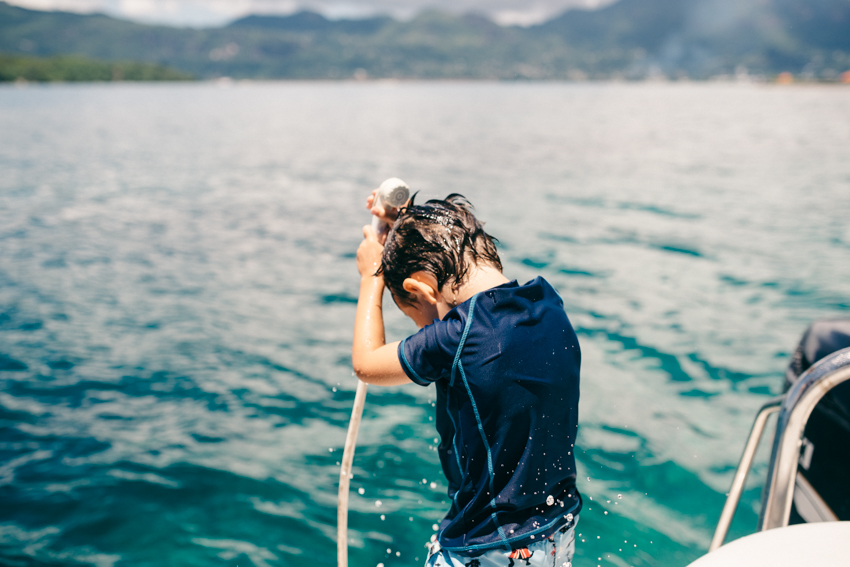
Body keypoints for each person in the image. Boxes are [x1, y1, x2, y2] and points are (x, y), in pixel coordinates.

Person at [352, 192, 582, 567]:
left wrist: (371, 277)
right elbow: (448, 241)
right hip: (555, 533)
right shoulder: (548, 304)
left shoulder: (458, 337)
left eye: (420, 321)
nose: (428, 331)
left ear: (420, 289)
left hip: (484, 549)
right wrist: (401, 226)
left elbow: (366, 363)